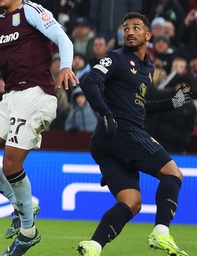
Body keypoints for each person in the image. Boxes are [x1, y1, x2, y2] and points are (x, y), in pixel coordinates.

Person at [0, 0, 78, 255]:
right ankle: (20, 204)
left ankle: (28, 230)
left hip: (36, 95)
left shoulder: (32, 12)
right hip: (11, 97)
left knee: (11, 165)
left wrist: (65, 66)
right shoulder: (0, 23)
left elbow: (64, 39)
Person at [77, 13, 193, 256]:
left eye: (136, 27)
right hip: (123, 132)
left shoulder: (147, 68)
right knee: (174, 174)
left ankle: (94, 246)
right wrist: (106, 114)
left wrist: (175, 101)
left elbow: (140, 106)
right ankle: (161, 233)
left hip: (105, 142)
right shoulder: (117, 58)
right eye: (126, 28)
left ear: (147, 35)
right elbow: (88, 81)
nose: (129, 31)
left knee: (131, 203)